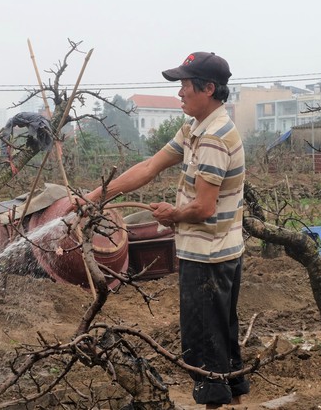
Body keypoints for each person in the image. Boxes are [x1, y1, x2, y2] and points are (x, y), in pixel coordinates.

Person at [80, 52, 249, 408]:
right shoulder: (194, 128)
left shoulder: (215, 137)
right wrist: (95, 196)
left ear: (208, 88)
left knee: (204, 348)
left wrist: (173, 214)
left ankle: (217, 403)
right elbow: (151, 166)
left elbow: (203, 208)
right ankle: (230, 401)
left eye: (186, 85)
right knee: (219, 341)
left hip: (208, 258)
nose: (180, 93)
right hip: (218, 252)